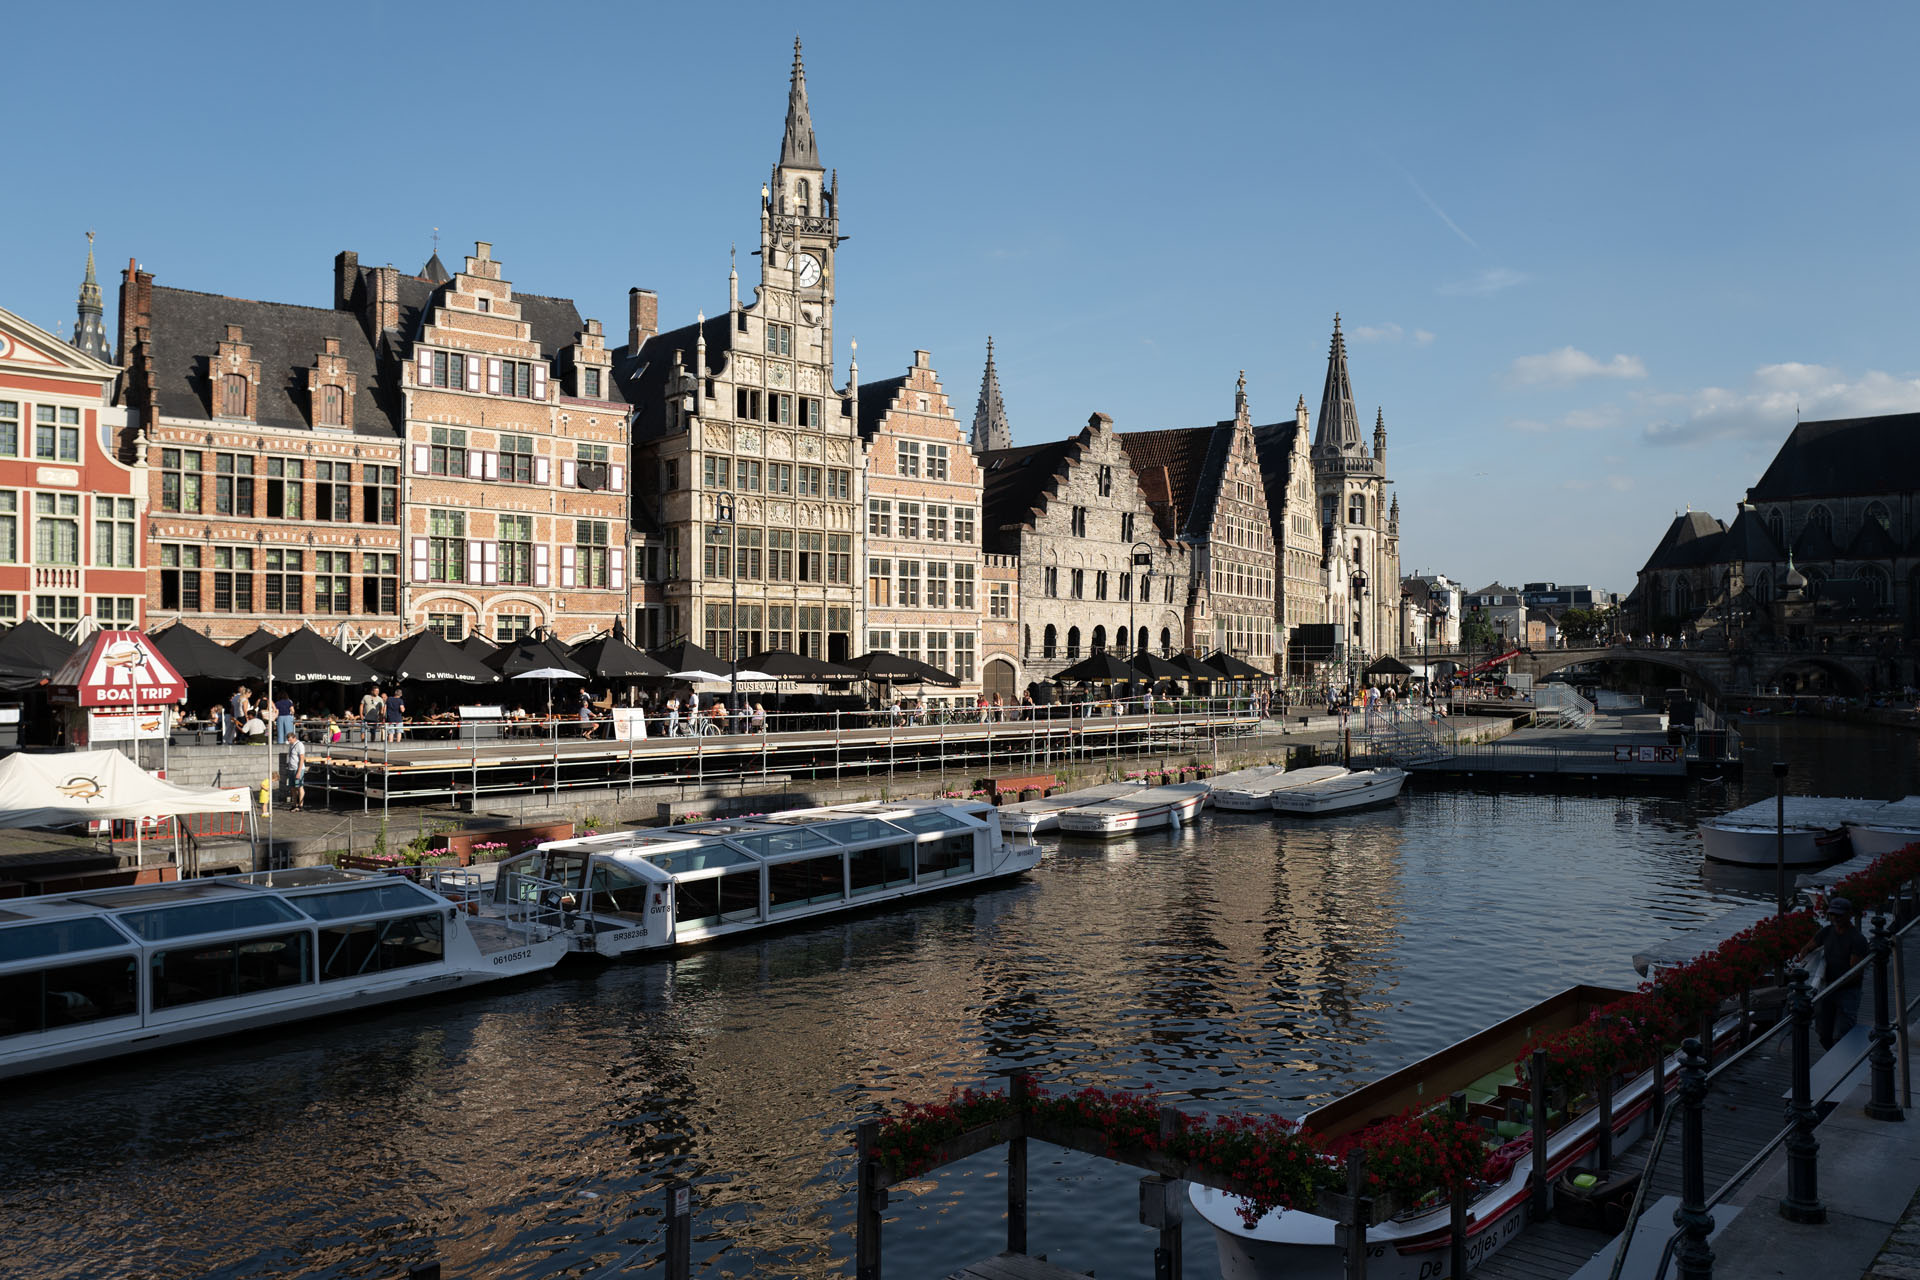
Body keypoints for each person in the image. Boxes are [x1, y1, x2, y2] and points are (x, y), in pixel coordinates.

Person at [1801, 897, 1873, 1049]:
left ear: (1850, 914)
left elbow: (1855, 973)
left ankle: (1844, 1063)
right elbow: (1808, 947)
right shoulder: (1826, 932)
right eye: (1833, 914)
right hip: (1826, 988)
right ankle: (1832, 1057)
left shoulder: (1857, 939)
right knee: (1822, 1031)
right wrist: (1803, 959)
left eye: (1839, 915)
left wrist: (1834, 986)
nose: (1835, 918)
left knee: (1842, 1033)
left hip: (1847, 991)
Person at [284, 734, 307, 811]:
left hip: (297, 769)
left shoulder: (299, 745)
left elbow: (301, 758)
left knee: (299, 786)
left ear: (294, 738)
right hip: (291, 768)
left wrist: (299, 771)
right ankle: (294, 804)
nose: (289, 741)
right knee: (292, 787)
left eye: (290, 740)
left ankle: (301, 805)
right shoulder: (291, 745)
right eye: (288, 740)